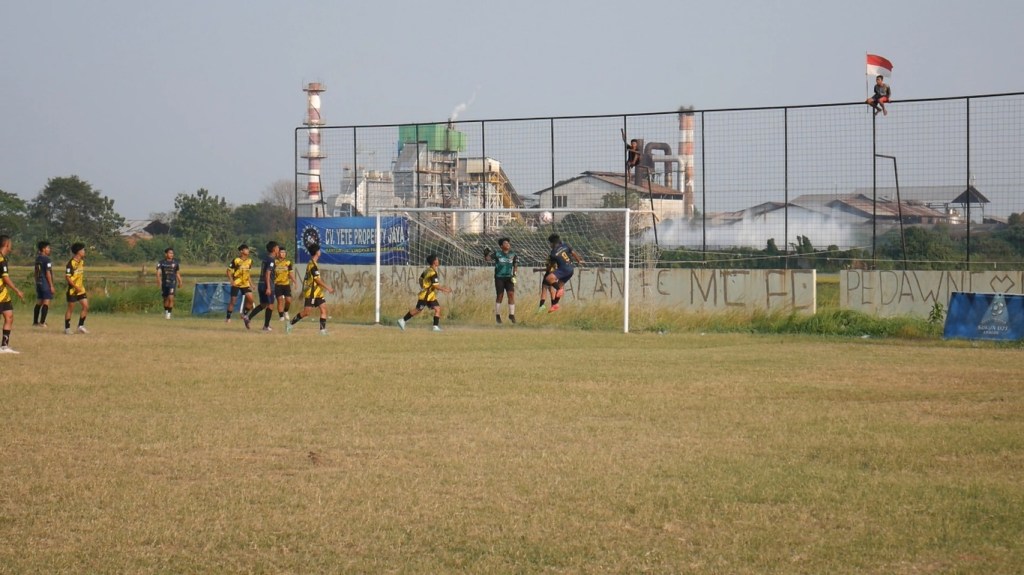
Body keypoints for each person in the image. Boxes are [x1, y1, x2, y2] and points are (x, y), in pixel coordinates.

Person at [286, 243, 335, 335]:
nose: (320, 252)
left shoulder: (314, 263)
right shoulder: (312, 265)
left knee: (323, 309)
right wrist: (328, 288)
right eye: (319, 250)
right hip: (311, 292)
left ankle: (322, 330)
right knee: (306, 312)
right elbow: (317, 280)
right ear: (317, 252)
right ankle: (290, 324)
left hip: (317, 292)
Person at [397, 254, 451, 332]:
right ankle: (402, 320)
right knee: (418, 310)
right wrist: (445, 290)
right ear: (434, 262)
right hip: (426, 295)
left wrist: (423, 285)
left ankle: (435, 327)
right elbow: (436, 286)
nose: (438, 261)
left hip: (430, 295)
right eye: (437, 260)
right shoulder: (433, 273)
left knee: (437, 308)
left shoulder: (427, 270)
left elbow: (420, 279)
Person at [543, 234, 584, 313]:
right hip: (571, 269)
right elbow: (574, 253)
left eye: (550, 243)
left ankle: (559, 289)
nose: (550, 245)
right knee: (559, 285)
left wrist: (548, 270)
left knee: (548, 278)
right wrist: (579, 261)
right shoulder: (566, 245)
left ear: (553, 243)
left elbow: (551, 265)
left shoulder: (553, 253)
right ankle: (555, 304)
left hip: (563, 269)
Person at [245, 241, 280, 331]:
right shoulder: (271, 260)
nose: (278, 249)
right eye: (277, 248)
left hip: (261, 284)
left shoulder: (265, 258)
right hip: (267, 284)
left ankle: (248, 318)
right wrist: (268, 287)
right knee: (271, 305)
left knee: (263, 304)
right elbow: (268, 273)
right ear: (274, 249)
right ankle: (266, 326)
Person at [0, 235, 26, 353]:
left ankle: (4, 346)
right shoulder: (1, 260)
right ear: (6, 244)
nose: (11, 246)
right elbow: (6, 278)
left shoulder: (3, 258)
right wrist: (17, 290)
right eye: (10, 244)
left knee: (9, 317)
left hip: (4, 295)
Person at [484, 237, 518, 324]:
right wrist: (486, 253)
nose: (508, 245)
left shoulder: (513, 254)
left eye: (508, 243)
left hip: (509, 277)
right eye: (505, 243)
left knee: (511, 294)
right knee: (500, 295)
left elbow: (515, 265)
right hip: (499, 277)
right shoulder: (497, 253)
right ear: (501, 246)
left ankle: (511, 315)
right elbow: (487, 259)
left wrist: (514, 274)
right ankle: (497, 315)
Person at [64, 242, 89, 334]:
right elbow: (67, 277)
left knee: (86, 306)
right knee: (70, 309)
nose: (84, 251)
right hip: (73, 290)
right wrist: (75, 286)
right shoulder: (70, 263)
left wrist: (80, 287)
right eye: (83, 250)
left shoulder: (81, 261)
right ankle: (67, 328)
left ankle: (80, 326)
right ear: (78, 252)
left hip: (81, 289)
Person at [225, 244, 253, 324]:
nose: (248, 251)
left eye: (248, 249)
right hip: (237, 283)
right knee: (233, 301)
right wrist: (231, 281)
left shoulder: (250, 261)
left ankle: (244, 314)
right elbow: (228, 271)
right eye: (246, 249)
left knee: (250, 300)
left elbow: (248, 274)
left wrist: (251, 284)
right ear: (241, 251)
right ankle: (228, 317)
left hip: (245, 284)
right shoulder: (236, 260)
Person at [32, 241, 55, 327]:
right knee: (46, 301)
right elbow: (47, 273)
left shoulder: (37, 258)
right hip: (45, 282)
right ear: (43, 249)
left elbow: (35, 272)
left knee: (39, 301)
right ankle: (42, 322)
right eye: (48, 248)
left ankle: (35, 322)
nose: (49, 249)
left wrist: (36, 281)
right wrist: (51, 285)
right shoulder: (47, 259)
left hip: (39, 282)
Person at [156, 247, 183, 319]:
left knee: (171, 298)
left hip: (172, 282)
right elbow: (158, 273)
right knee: (165, 299)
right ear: (166, 254)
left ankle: (169, 315)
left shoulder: (175, 263)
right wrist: (159, 281)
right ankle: (166, 312)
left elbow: (177, 273)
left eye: (172, 253)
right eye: (170, 253)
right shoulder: (161, 263)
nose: (171, 254)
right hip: (164, 283)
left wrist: (180, 281)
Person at [274, 247, 296, 321]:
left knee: (288, 300)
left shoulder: (288, 262)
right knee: (280, 300)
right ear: (278, 253)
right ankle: (281, 317)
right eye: (281, 252)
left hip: (286, 284)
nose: (283, 254)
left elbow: (291, 273)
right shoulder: (274, 262)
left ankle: (286, 311)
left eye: (284, 252)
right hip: (277, 284)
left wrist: (294, 281)